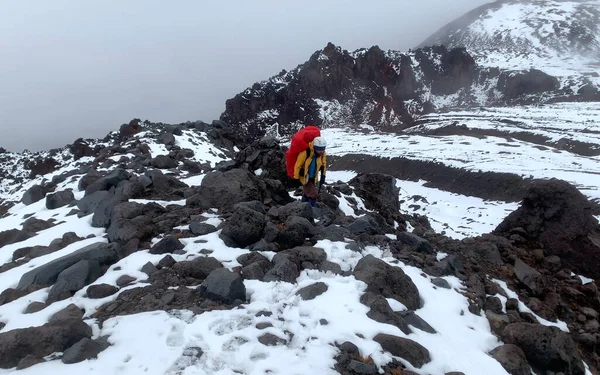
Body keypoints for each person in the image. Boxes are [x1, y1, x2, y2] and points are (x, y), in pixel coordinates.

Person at [293, 136, 327, 207]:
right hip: (305, 177)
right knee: (313, 195)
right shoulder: (305, 153)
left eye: (323, 148)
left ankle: (303, 206)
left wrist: (323, 176)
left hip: (314, 177)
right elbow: (297, 165)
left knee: (307, 193)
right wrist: (296, 178)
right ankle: (311, 210)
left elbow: (323, 165)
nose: (321, 151)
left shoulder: (322, 154)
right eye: (319, 149)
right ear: (314, 147)